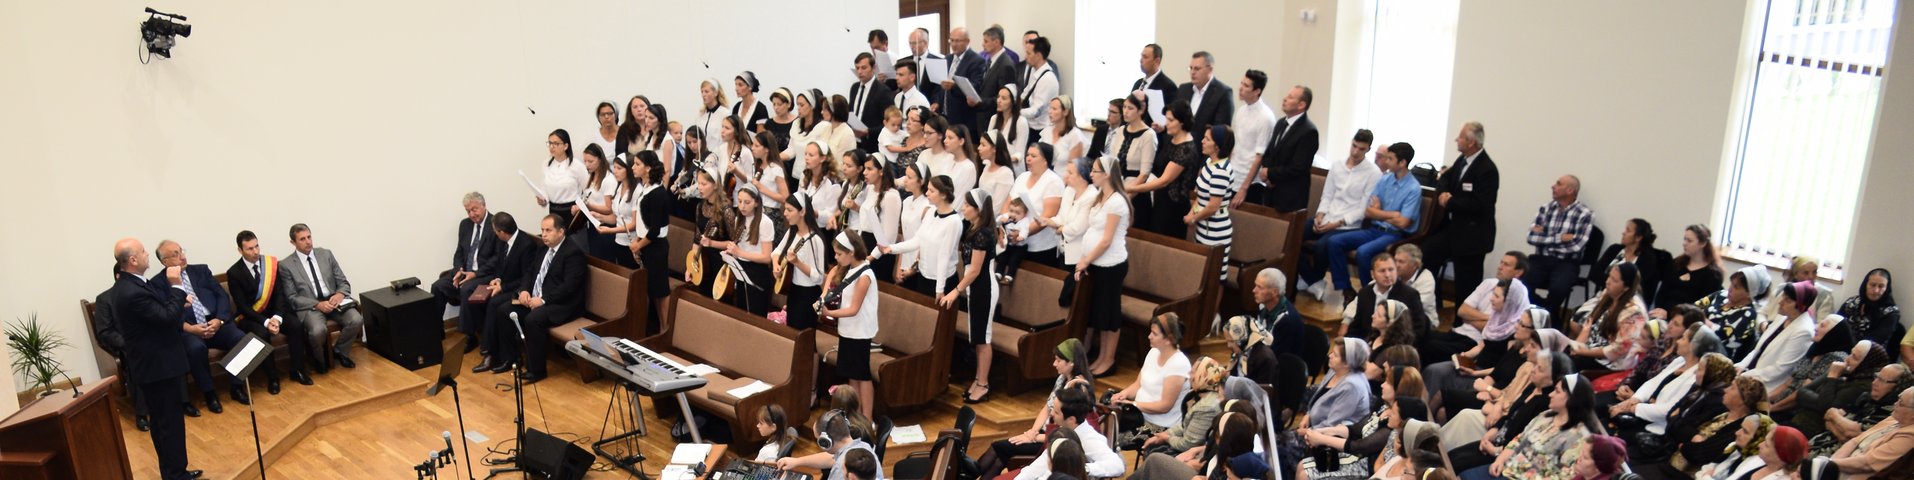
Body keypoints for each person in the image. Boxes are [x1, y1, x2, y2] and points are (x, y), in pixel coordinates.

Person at [109, 238, 204, 480]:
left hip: (158, 365)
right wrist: (177, 287)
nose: (147, 254)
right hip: (158, 367)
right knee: (167, 425)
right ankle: (175, 475)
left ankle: (176, 471)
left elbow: (158, 314)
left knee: (167, 424)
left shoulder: (132, 284)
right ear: (132, 260)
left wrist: (177, 302)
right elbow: (167, 319)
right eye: (143, 251)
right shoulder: (132, 291)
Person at [1303, 142, 1421, 303]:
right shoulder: (1385, 179)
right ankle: (1347, 289)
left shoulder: (1413, 188)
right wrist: (1392, 214)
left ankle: (1371, 295)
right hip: (1373, 229)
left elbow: (1403, 222)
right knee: (1334, 242)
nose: (1386, 162)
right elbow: (1368, 211)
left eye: (1390, 159)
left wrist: (1379, 213)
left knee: (1364, 252)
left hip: (1394, 235)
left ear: (1402, 163)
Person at [148, 240, 249, 411]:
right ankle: (209, 393)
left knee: (241, 339)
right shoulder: (157, 283)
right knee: (196, 349)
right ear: (165, 261)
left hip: (215, 323)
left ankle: (236, 386)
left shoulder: (201, 270)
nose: (182, 256)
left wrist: (219, 320)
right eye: (175, 254)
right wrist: (189, 328)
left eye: (181, 251)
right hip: (189, 330)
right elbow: (165, 313)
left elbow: (221, 296)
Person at [974, 340, 1097, 478]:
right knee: (999, 458)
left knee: (998, 447)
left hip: (1053, 441)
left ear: (1071, 362)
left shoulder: (1079, 389)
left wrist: (1035, 438)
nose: (1054, 364)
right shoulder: (1062, 378)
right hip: (1044, 433)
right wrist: (1032, 431)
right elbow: (1047, 408)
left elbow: (1069, 433)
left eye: (1058, 360)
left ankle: (967, 474)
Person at [493, 214, 587, 383]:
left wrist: (543, 300)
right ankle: (511, 359)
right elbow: (530, 272)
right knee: (505, 311)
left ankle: (536, 370)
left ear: (561, 232)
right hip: (536, 298)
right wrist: (523, 290)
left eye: (548, 230)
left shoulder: (573, 253)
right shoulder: (543, 248)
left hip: (562, 304)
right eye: (542, 230)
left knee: (533, 319)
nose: (543, 234)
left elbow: (569, 287)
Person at [1421, 121, 1501, 310]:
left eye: (1460, 137)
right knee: (1426, 253)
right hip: (1453, 229)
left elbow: (1481, 205)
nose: (1456, 140)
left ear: (1471, 142)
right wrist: (1443, 194)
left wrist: (1450, 202)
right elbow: (1444, 179)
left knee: (1467, 283)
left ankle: (1462, 321)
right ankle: (1433, 303)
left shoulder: (1487, 169)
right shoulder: (1462, 160)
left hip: (1473, 236)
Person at [1463, 375, 1595, 480]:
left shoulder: (1580, 437)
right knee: (1461, 474)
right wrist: (1500, 459)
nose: (1550, 394)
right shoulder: (1546, 415)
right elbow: (1519, 439)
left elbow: (1565, 476)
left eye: (1557, 391)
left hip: (1521, 477)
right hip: (1508, 468)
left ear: (1572, 399)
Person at [225, 232, 314, 388]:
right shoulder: (234, 273)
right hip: (252, 317)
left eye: (257, 246)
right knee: (262, 334)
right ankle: (272, 377)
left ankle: (298, 370)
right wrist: (266, 322)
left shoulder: (270, 264)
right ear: (240, 250)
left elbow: (280, 293)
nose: (255, 252)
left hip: (275, 312)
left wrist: (277, 317)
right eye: (250, 249)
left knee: (295, 325)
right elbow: (242, 306)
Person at [282, 224, 365, 373]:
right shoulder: (286, 265)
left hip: (333, 301)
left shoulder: (325, 254)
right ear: (293, 242)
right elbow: (292, 297)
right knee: (317, 331)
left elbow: (343, 282)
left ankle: (339, 351)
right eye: (302, 239)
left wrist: (340, 294)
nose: (308, 241)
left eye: (309, 237)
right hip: (311, 306)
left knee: (356, 319)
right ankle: (320, 360)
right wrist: (317, 304)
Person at [1079, 156, 1135, 376]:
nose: (1091, 174)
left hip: (1111, 265)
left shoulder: (1117, 202)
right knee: (1100, 313)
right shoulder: (1100, 196)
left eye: (1095, 171)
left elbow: (1106, 240)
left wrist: (1086, 260)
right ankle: (1101, 357)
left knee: (1110, 314)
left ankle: (1109, 359)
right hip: (1098, 264)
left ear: (1107, 174)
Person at [433, 192, 505, 350]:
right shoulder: (465, 225)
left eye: (474, 209)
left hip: (485, 275)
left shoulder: (496, 224)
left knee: (466, 289)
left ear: (484, 206)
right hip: (464, 272)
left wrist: (475, 274)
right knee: (438, 286)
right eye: (468, 211)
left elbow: (497, 258)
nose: (471, 214)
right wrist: (458, 270)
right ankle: (436, 332)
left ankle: (469, 336)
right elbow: (459, 252)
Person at [949, 188, 1001, 403]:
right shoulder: (974, 229)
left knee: (983, 338)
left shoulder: (983, 234)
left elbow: (975, 270)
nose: (963, 208)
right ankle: (978, 379)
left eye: (967, 205)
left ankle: (983, 383)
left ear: (979, 209)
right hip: (976, 288)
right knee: (978, 338)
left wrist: (956, 291)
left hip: (984, 288)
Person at [822, 233, 881, 418]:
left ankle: (867, 419)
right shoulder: (849, 269)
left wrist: (829, 313)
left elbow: (854, 309)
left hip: (860, 332)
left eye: (839, 254)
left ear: (852, 252)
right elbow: (832, 273)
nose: (836, 257)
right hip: (848, 330)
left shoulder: (865, 275)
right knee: (852, 375)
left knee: (862, 375)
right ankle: (855, 415)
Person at [1517, 175, 1595, 314]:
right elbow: (1531, 237)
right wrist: (1560, 238)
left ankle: (1548, 315)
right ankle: (1541, 311)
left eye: (1559, 184)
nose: (1553, 186)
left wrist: (1545, 238)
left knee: (1559, 289)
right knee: (1520, 283)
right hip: (1540, 259)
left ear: (1570, 190)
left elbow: (1577, 246)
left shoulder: (1585, 213)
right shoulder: (1545, 208)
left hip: (1566, 262)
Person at [1011, 387, 1126, 480]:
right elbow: (1041, 464)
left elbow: (1117, 465)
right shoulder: (1063, 431)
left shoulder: (1089, 439)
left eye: (1056, 412)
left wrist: (1079, 468)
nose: (1051, 414)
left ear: (1071, 419)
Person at [472, 213, 538, 373]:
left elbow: (527, 276)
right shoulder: (503, 242)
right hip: (506, 284)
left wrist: (503, 287)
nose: (495, 234)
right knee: (483, 299)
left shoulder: (526, 245)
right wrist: (498, 280)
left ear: (502, 232)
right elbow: (500, 266)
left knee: (495, 304)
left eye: (495, 231)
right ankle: (492, 350)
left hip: (520, 289)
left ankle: (491, 353)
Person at [1110, 314, 1193, 436]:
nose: (1149, 336)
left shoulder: (1178, 364)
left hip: (1160, 425)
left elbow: (1164, 406)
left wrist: (1133, 404)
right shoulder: (1153, 351)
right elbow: (1138, 384)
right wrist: (1123, 395)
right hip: (1139, 414)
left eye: (1154, 334)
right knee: (1106, 411)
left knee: (1115, 436)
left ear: (1168, 339)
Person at [1130, 100, 1202, 239]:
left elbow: (1164, 181)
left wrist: (1131, 188)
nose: (1166, 123)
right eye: (1166, 119)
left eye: (1171, 120)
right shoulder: (1171, 138)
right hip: (1160, 201)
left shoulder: (1186, 148)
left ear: (1182, 122)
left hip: (1173, 208)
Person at [1790, 341, 1893, 437]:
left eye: (1854, 357)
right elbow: (1801, 392)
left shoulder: (1863, 386)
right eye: (1851, 353)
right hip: (1799, 420)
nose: (1847, 359)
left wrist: (1833, 375)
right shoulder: (1849, 374)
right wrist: (1831, 374)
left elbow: (1825, 406)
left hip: (1815, 432)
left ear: (1867, 364)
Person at [882, 175, 962, 298]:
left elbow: (944, 256)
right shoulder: (930, 212)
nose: (927, 193)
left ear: (943, 195)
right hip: (924, 276)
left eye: (931, 191)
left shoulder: (954, 221)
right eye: (928, 189)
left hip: (942, 281)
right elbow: (917, 240)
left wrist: (939, 289)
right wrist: (891, 248)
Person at [1567, 264, 1648, 373]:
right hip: (1591, 346)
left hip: (1609, 361)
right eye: (1609, 276)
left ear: (1626, 287)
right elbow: (1589, 323)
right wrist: (1578, 346)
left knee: (1567, 364)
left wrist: (1583, 351)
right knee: (1557, 353)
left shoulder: (1634, 312)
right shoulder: (1608, 293)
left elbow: (1617, 350)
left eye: (1614, 280)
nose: (1607, 282)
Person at [1249, 84, 1317, 213]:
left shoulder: (1309, 131)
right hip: (1271, 192)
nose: (1284, 99)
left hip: (1289, 198)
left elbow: (1298, 167)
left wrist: (1270, 174)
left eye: (1290, 97)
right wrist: (1266, 174)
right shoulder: (1281, 123)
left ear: (1301, 105)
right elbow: (1269, 152)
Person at [1741, 281, 1820, 391]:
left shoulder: (1804, 332)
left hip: (1765, 385)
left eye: (1787, 300)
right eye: (1783, 296)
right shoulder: (1782, 317)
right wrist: (1740, 366)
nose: (1780, 302)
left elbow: (1780, 369)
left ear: (1801, 306)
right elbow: (1758, 350)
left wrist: (1744, 376)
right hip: (1750, 373)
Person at [1825, 381, 1914, 478]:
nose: (1895, 403)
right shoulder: (1893, 419)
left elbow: (1867, 464)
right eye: (1898, 399)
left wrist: (1829, 465)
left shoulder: (1910, 436)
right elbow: (1855, 441)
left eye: (1901, 403)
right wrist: (1831, 462)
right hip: (1838, 466)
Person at [1339, 253, 1432, 343]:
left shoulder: (1410, 295)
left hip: (1397, 346)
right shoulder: (1365, 293)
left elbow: (1418, 330)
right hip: (1368, 343)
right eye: (1382, 271)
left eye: (1391, 270)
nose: (1387, 275)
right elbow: (1357, 326)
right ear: (1372, 274)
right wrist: (1348, 344)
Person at [1185, 125, 1237, 279]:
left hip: (1215, 231)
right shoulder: (1209, 162)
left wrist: (1193, 218)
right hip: (1203, 226)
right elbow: (1201, 195)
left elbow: (1213, 206)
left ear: (1217, 146)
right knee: (1201, 272)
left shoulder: (1221, 171)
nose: (1202, 141)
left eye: (1207, 139)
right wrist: (1192, 213)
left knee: (1214, 276)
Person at [775, 409, 885, 480]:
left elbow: (837, 462)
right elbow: (831, 458)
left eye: (818, 440)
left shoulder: (841, 470)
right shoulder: (863, 447)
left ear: (826, 442)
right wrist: (796, 462)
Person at [1223, 71, 1278, 209]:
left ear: (1257, 91)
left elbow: (1259, 156)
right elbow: (1234, 145)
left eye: (1246, 86)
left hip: (1251, 182)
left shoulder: (1265, 117)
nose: (1240, 88)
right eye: (1241, 83)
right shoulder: (1241, 110)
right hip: (1234, 174)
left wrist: (1244, 188)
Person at [718, 188, 778, 315]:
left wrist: (739, 253)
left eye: (747, 202)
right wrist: (730, 254)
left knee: (755, 315)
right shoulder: (739, 219)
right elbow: (739, 249)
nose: (742, 206)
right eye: (739, 201)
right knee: (741, 311)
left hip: (758, 272)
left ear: (756, 202)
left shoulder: (765, 222)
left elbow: (767, 257)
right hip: (741, 269)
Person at [630, 152, 673, 325]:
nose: (633, 167)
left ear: (648, 168)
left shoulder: (658, 194)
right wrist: (638, 241)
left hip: (656, 247)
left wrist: (638, 245)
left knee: (660, 290)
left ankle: (665, 328)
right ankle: (658, 327)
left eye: (637, 164)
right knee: (652, 290)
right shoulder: (645, 188)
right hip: (646, 244)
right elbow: (643, 223)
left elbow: (654, 230)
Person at [1700, 266, 1774, 360]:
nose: (1730, 289)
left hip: (1715, 358)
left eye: (1736, 287)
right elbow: (1692, 309)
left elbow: (1720, 337)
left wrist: (1700, 318)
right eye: (1731, 283)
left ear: (1749, 293)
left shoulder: (1749, 315)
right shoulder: (1721, 295)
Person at [1010, 143, 1066, 268]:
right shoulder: (1022, 177)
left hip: (1040, 247)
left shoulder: (1053, 181)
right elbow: (1008, 202)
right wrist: (1007, 230)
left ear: (1045, 160)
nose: (1028, 159)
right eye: (1027, 155)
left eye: (1033, 156)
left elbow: (1046, 217)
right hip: (1015, 242)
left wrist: (1021, 233)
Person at [1457, 252, 1532, 342]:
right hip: (1459, 332)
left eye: (1506, 265)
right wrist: (1490, 318)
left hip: (1476, 341)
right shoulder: (1488, 282)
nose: (1500, 267)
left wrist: (1469, 319)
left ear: (1518, 272)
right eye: (1501, 262)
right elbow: (1462, 311)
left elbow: (1495, 331)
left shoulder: (1519, 297)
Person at [1305, 338, 1376, 429]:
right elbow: (1318, 397)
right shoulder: (1335, 370)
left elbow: (1333, 423)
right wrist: (1308, 415)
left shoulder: (1351, 386)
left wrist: (1308, 431)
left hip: (1327, 433)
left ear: (1347, 363)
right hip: (1315, 426)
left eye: (1335, 355)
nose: (1330, 356)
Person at [1597, 219, 1668, 304]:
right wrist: (1614, 282)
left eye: (1628, 230)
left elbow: (1636, 286)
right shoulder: (1614, 249)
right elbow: (1595, 273)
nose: (1623, 233)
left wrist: (1612, 281)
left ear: (1638, 237)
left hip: (1628, 301)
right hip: (1602, 296)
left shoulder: (1647, 260)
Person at [1111, 95, 1158, 222]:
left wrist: (1126, 197)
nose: (1125, 111)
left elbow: (1144, 174)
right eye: (1124, 107)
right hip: (1118, 187)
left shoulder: (1148, 135)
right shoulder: (1121, 130)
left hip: (1136, 193)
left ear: (1141, 110)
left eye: (1130, 108)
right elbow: (1113, 162)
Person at [1656, 224, 1726, 310]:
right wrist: (1659, 309)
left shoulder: (1713, 274)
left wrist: (1669, 314)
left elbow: (1702, 306)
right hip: (1662, 313)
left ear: (1703, 243)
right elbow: (1662, 292)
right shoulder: (1676, 263)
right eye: (1684, 239)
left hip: (1688, 315)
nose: (1684, 243)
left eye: (1689, 241)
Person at [535, 129, 589, 233]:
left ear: (565, 146)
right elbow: (544, 188)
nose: (552, 147)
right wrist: (543, 200)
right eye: (550, 143)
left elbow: (588, 189)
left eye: (556, 144)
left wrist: (581, 206)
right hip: (553, 210)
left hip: (571, 210)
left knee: (573, 239)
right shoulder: (546, 164)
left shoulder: (576, 165)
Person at [1692, 414, 1775, 480]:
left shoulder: (1755, 463)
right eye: (1741, 428)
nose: (1737, 433)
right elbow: (1706, 468)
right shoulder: (1733, 447)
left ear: (1758, 439)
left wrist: (1706, 477)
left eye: (1745, 432)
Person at [972, 25, 1020, 135]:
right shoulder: (991, 60)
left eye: (986, 41)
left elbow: (1005, 98)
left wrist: (980, 102)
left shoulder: (1006, 65)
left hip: (994, 119)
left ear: (996, 42)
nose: (983, 44)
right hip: (983, 118)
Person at [1177, 51, 1234, 139]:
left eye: (1197, 69)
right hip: (1180, 144)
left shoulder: (1223, 93)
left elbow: (1220, 130)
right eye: (1191, 68)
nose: (1192, 72)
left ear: (1210, 69)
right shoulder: (1183, 89)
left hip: (1204, 145)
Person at [1837, 268, 1899, 346]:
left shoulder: (1890, 313)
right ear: (1865, 284)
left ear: (1886, 288)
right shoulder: (1852, 303)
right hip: (1840, 346)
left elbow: (1873, 341)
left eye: (1881, 286)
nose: (1876, 290)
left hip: (1868, 351)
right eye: (1872, 285)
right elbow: (1835, 324)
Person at [940, 27, 986, 129]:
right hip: (944, 114)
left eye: (958, 41)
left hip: (963, 116)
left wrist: (954, 86)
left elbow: (975, 87)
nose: (954, 44)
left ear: (967, 41)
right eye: (951, 40)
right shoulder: (947, 58)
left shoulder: (977, 60)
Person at [849, 53, 895, 154]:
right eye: (857, 68)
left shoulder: (883, 91)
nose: (860, 71)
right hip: (854, 142)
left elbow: (889, 122)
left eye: (864, 68)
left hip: (872, 144)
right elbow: (851, 111)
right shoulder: (854, 88)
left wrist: (869, 131)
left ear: (873, 68)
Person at [1018, 36, 1059, 144]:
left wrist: (1014, 112)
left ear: (1038, 55)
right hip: (1031, 128)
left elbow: (1036, 111)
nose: (1025, 57)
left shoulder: (1047, 78)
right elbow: (1024, 94)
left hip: (1040, 132)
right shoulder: (1035, 72)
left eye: (1028, 53)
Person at [1131, 44, 1179, 124]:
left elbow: (1170, 117)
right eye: (1141, 56)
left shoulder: (1168, 86)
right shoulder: (1138, 83)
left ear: (1157, 61)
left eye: (1145, 57)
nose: (1141, 60)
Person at [1041, 96, 1087, 170]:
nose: (1050, 112)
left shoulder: (1075, 135)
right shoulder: (1046, 131)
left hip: (1063, 176)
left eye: (1054, 109)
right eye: (1050, 108)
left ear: (1065, 112)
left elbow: (1073, 169)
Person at [1397, 244, 1440, 324]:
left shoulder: (1426, 278)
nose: (1396, 265)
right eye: (1395, 260)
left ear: (1415, 265)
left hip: (1423, 320)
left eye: (1401, 262)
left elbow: (1416, 307)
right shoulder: (1393, 274)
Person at [695, 78, 734, 157]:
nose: (703, 94)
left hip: (718, 156)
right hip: (701, 156)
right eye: (702, 91)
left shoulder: (725, 113)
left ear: (716, 93)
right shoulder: (701, 114)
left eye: (706, 91)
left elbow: (726, 138)